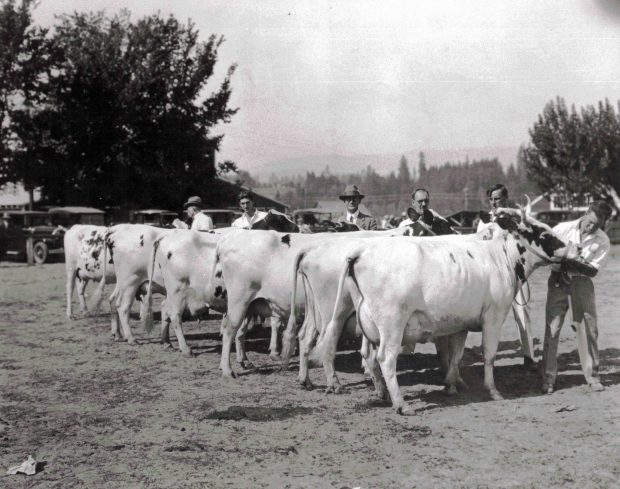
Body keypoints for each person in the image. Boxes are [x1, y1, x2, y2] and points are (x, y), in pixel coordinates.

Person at [541, 200, 612, 394]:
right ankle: (548, 378)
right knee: (553, 328)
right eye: (590, 222)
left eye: (597, 225)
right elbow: (546, 250)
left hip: (582, 283)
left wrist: (573, 260)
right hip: (557, 281)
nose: (592, 227)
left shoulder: (602, 240)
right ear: (586, 212)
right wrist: (561, 258)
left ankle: (593, 376)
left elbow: (592, 271)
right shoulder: (563, 229)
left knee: (589, 329)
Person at [477, 183, 537, 370]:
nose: (494, 202)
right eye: (492, 199)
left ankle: (529, 356)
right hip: (492, 276)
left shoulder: (516, 217)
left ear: (506, 197)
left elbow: (528, 238)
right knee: (488, 316)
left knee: (523, 312)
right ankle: (487, 359)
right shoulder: (484, 220)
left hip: (516, 272)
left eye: (498, 198)